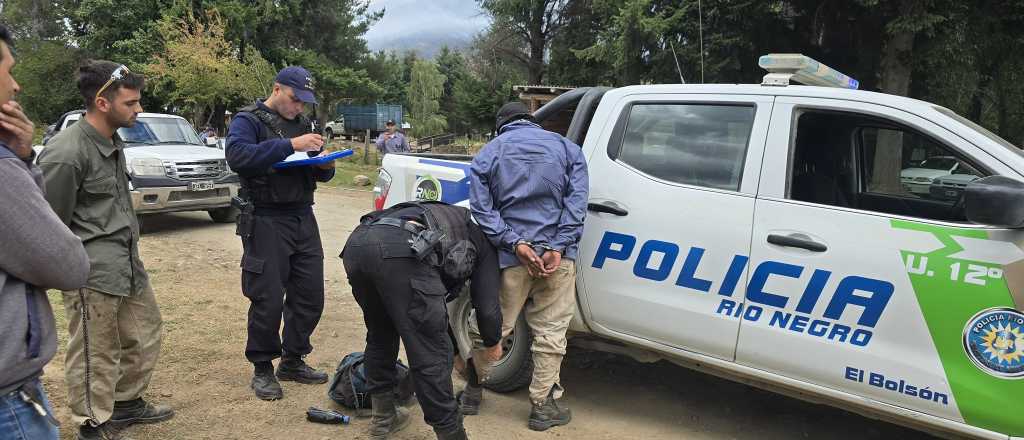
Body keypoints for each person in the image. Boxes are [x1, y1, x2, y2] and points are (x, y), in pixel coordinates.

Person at [38, 60, 173, 440]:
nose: (138, 110)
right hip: (91, 270)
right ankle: (91, 422)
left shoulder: (113, 141)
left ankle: (127, 402)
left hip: (126, 261)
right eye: (130, 103)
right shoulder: (66, 152)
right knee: (95, 351)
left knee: (143, 332)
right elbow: (50, 223)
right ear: (102, 102)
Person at [468, 102, 589, 431]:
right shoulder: (569, 149)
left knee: (493, 328)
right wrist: (557, 246)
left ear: (502, 126)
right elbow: (577, 204)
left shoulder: (491, 151)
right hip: (557, 262)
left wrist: (515, 243)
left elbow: (482, 208)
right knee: (551, 333)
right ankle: (541, 407)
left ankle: (472, 390)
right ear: (532, 122)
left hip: (511, 261)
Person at [341, 201, 504, 440]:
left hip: (358, 244)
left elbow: (435, 311)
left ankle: (383, 418)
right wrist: (493, 341)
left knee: (380, 333)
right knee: (431, 354)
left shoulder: (448, 217)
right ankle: (452, 434)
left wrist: (457, 353)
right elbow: (487, 310)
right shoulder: (483, 241)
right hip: (402, 251)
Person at [0, 25, 90, 440]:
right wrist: (20, 165)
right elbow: (64, 262)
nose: (16, 86)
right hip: (8, 402)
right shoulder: (65, 151)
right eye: (9, 70)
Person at [225, 66, 336, 401]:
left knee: (310, 294)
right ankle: (262, 366)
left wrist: (325, 166)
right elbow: (238, 156)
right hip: (266, 219)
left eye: (304, 103)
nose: (299, 108)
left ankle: (293, 358)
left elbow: (313, 171)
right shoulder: (249, 120)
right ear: (277, 89)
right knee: (267, 297)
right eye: (294, 99)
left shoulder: (303, 125)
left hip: (302, 216)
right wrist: (290, 144)